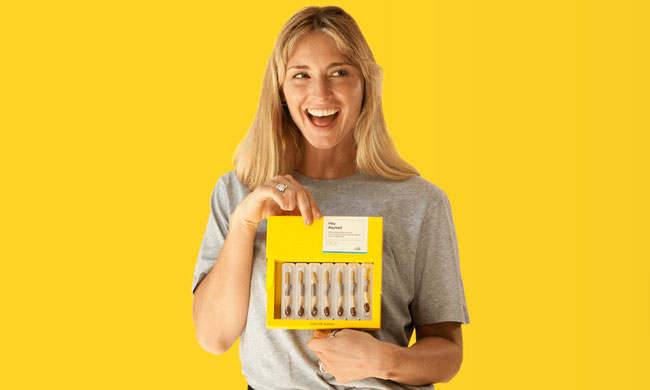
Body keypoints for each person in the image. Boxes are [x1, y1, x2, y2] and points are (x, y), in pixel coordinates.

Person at [191, 6, 470, 390]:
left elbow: (448, 355)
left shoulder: (421, 203)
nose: (320, 93)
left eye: (339, 72)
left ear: (365, 85)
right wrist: (244, 222)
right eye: (300, 75)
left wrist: (384, 358)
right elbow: (213, 337)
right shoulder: (238, 194)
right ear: (281, 91)